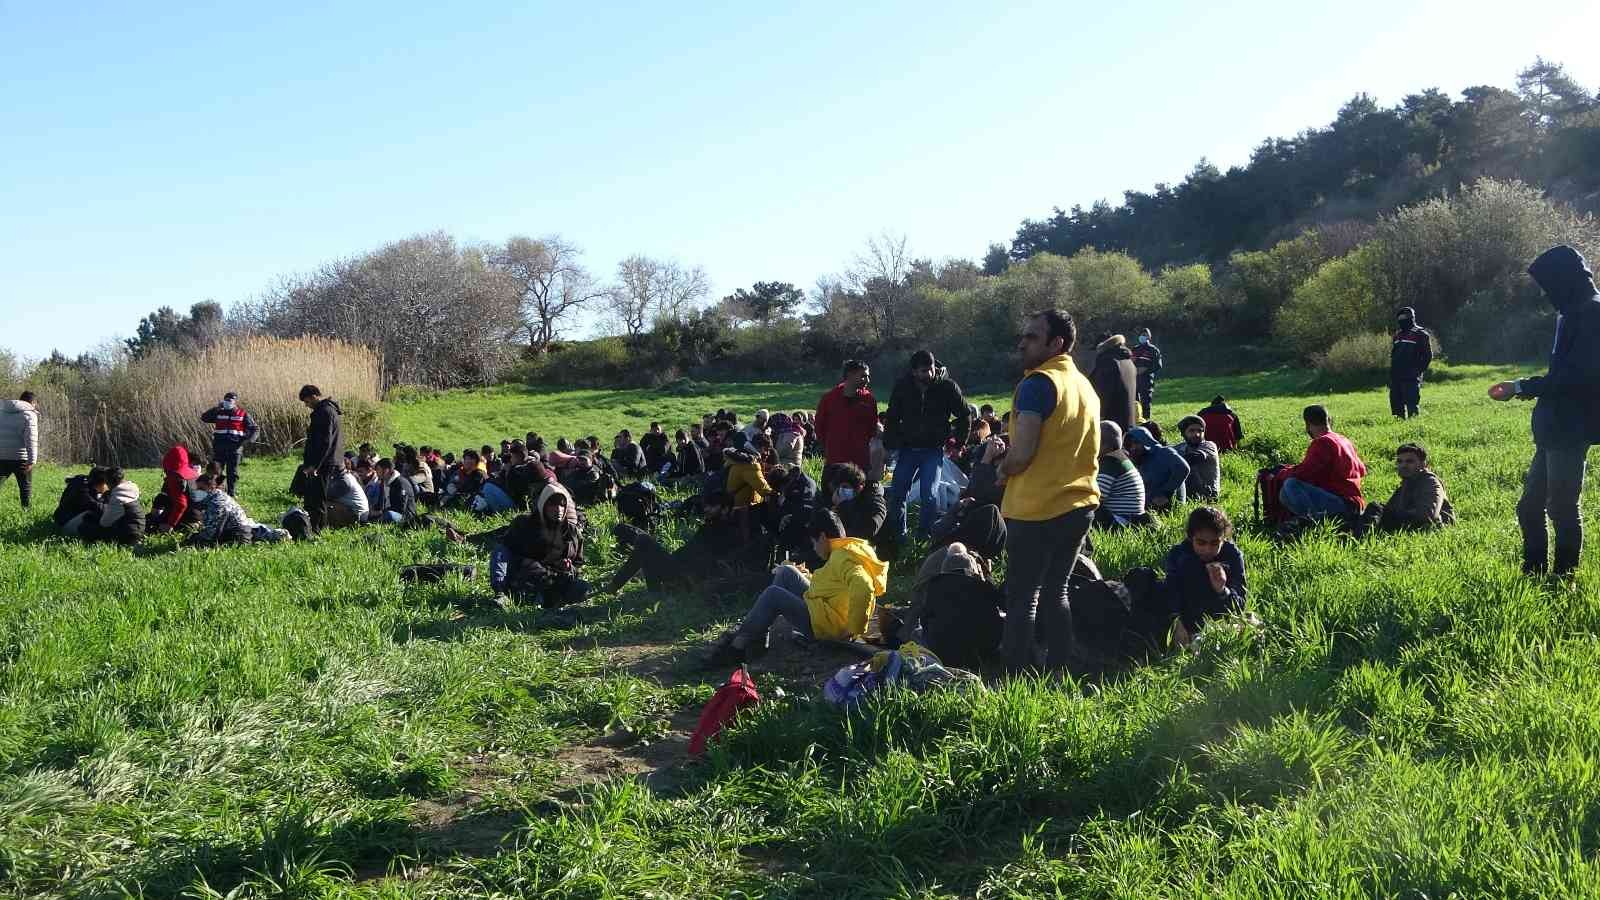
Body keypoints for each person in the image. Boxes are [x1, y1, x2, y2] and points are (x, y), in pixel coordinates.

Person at [996, 309, 1100, 673]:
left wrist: (1001, 467)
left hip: (1037, 508)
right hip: (1080, 504)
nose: (1022, 342)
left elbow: (1021, 454)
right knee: (1058, 590)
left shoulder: (1038, 384)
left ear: (1056, 343)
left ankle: (1013, 680)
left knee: (1023, 597)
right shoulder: (1084, 385)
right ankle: (1060, 671)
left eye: (1032, 337)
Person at [1490, 245, 1600, 576]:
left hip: (1572, 428)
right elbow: (1562, 376)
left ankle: (1564, 575)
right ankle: (1533, 570)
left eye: (1547, 285)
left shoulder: (1592, 314)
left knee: (1562, 508)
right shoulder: (1571, 313)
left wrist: (1522, 386)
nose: (1544, 294)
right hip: (1553, 426)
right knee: (1529, 507)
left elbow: (1577, 377)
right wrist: (1532, 389)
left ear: (1564, 280)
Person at [703, 508, 888, 666]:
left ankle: (738, 647)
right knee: (787, 572)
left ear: (822, 537)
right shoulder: (850, 548)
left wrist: (855, 629)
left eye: (814, 542)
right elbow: (835, 585)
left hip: (828, 626)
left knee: (773, 594)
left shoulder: (842, 558)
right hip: (827, 610)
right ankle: (759, 639)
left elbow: (863, 586)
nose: (814, 548)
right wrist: (809, 577)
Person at [883, 349, 971, 543]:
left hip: (933, 450)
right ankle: (899, 537)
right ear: (914, 371)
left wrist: (959, 443)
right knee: (898, 493)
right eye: (923, 371)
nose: (928, 374)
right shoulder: (902, 387)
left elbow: (964, 415)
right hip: (907, 449)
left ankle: (924, 538)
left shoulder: (948, 387)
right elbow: (892, 417)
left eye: (930, 369)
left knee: (929, 495)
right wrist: (890, 444)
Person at [607, 491, 764, 592]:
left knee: (642, 540)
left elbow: (708, 560)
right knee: (643, 545)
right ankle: (624, 587)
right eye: (707, 506)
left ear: (725, 509)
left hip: (684, 575)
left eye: (712, 506)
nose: (707, 509)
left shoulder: (727, 532)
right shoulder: (711, 526)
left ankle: (617, 586)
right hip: (678, 567)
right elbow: (689, 550)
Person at [489, 483, 587, 609]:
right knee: (500, 551)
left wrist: (568, 568)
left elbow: (578, 564)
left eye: (562, 505)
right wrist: (530, 564)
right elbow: (509, 551)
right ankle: (502, 594)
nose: (558, 509)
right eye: (553, 504)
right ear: (543, 505)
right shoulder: (524, 524)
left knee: (583, 588)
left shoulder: (572, 532)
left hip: (555, 578)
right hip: (524, 575)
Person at [1163, 506, 1248, 645]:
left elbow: (1240, 604)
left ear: (1223, 540)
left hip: (1221, 618)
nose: (1207, 549)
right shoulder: (1179, 555)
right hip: (1188, 615)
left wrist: (1222, 589)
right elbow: (1171, 591)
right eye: (1201, 543)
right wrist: (1176, 621)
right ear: (1191, 538)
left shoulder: (1232, 556)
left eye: (1215, 543)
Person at [1280, 405, 1368, 518]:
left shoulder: (1322, 442)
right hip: (1355, 504)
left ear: (1308, 425)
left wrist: (1281, 474)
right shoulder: (1343, 440)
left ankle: (1312, 521)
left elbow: (1303, 472)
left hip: (1343, 504)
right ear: (1328, 420)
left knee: (1291, 485)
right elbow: (1362, 470)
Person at [185, 472, 289, 546]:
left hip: (239, 535)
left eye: (201, 489)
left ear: (211, 488)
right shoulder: (217, 496)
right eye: (197, 489)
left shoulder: (216, 504)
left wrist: (192, 539)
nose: (198, 492)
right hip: (243, 529)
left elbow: (211, 534)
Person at [1376, 443, 1455, 532]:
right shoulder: (1406, 484)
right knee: (1374, 509)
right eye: (1399, 461)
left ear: (1423, 464)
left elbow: (1427, 515)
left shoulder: (1429, 482)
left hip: (1432, 531)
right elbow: (1389, 509)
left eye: (1409, 461)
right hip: (1410, 528)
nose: (1403, 465)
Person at [815, 360, 878, 470]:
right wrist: (831, 446)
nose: (867, 380)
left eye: (868, 376)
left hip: (860, 461)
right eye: (863, 376)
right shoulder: (829, 399)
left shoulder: (869, 400)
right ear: (850, 375)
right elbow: (819, 427)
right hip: (835, 459)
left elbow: (872, 428)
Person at [297, 385, 343, 534]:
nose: (306, 405)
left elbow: (325, 441)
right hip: (325, 461)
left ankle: (318, 531)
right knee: (313, 498)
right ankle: (313, 528)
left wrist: (315, 465)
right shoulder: (327, 410)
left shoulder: (324, 412)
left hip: (323, 463)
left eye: (307, 401)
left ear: (314, 396)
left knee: (317, 499)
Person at [200, 391, 259, 495]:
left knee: (232, 473)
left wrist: (248, 440)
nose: (228, 402)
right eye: (226, 400)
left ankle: (231, 494)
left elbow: (255, 429)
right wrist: (216, 408)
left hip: (235, 448)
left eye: (230, 400)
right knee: (217, 472)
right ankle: (219, 492)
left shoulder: (242, 414)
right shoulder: (219, 412)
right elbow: (204, 417)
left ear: (235, 402)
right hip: (219, 447)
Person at [1095, 421, 1149, 529]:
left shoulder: (1110, 462)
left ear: (1102, 443)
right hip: (1130, 518)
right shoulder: (1120, 458)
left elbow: (1095, 496)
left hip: (1122, 520)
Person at [1123, 426, 1189, 510]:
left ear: (1146, 440)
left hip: (1170, 503)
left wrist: (1166, 493)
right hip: (1151, 504)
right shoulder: (1138, 459)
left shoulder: (1164, 452)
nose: (1133, 447)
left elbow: (1183, 468)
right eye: (1130, 445)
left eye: (1137, 442)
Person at [1389, 306, 1434, 419]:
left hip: (1411, 377)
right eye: (1400, 318)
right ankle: (1399, 426)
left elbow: (1428, 356)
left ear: (1411, 318)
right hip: (1396, 376)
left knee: (1411, 405)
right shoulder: (1397, 336)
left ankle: (1413, 427)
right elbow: (1394, 356)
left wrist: (1418, 371)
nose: (1402, 320)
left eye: (1404, 317)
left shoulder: (1421, 334)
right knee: (1396, 405)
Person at [1088, 334, 1139, 432]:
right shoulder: (1128, 361)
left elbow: (1104, 393)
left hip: (1111, 424)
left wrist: (1100, 416)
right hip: (1129, 421)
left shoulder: (1107, 361)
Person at [83, 467, 145, 546]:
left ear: (109, 482)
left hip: (128, 534)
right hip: (138, 528)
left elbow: (104, 523)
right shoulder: (131, 490)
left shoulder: (117, 499)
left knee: (86, 526)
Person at [0, 391, 40, 508]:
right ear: (32, 402)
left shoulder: (3, 412)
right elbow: (31, 439)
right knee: (25, 487)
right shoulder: (29, 414)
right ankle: (25, 511)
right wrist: (32, 460)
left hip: (2, 456)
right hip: (21, 458)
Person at [152, 444, 202, 534]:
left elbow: (181, 505)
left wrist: (169, 525)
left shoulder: (175, 477)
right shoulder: (194, 474)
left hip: (186, 521)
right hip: (200, 518)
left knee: (150, 523)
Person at [1174, 415, 1221, 501]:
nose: (1197, 434)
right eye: (1191, 431)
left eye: (1200, 431)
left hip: (1207, 495)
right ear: (1183, 433)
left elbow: (1193, 458)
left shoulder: (1209, 446)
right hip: (1188, 494)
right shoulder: (1181, 447)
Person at [372, 457, 420, 525]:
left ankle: (375, 522)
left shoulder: (400, 483)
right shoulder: (383, 482)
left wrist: (381, 512)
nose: (376, 473)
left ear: (386, 470)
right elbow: (381, 502)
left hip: (404, 516)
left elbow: (401, 508)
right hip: (386, 512)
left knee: (389, 514)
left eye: (378, 470)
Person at [1130, 327, 1164, 420]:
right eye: (1141, 335)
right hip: (1134, 380)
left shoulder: (1153, 350)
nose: (1142, 337)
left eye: (1145, 335)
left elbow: (1158, 365)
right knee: (1134, 402)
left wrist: (1145, 370)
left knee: (1146, 402)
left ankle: (1146, 422)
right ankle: (1135, 421)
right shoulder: (1134, 349)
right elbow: (1129, 363)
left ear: (1149, 337)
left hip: (1146, 380)